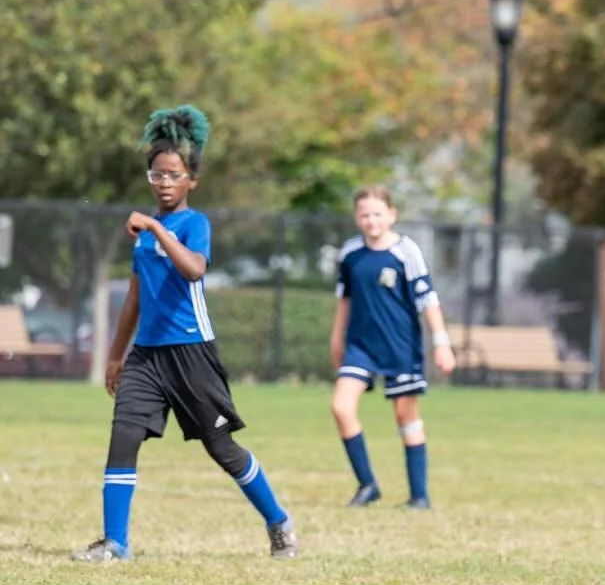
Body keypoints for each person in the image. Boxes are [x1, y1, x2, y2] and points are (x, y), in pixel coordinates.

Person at [72, 105, 298, 562]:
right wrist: (116, 356)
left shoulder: (194, 225)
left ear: (191, 180)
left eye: (174, 175)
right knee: (123, 437)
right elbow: (134, 299)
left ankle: (278, 521)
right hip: (148, 358)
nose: (165, 183)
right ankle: (115, 543)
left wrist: (156, 227)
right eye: (157, 175)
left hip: (192, 354)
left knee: (221, 447)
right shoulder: (142, 239)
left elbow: (194, 271)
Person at [330, 186, 456, 509]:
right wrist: (336, 338)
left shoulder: (406, 251)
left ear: (391, 215)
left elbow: (428, 299)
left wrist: (442, 343)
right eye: (364, 215)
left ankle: (419, 496)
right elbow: (345, 300)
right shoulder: (350, 254)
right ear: (357, 218)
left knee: (406, 417)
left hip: (400, 347)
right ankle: (367, 485)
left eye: (377, 214)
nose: (371, 220)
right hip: (360, 346)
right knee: (341, 408)